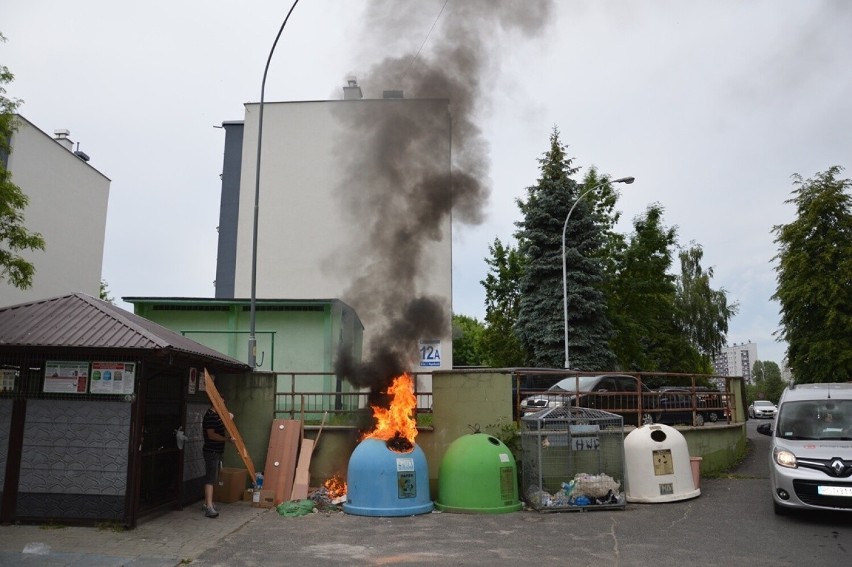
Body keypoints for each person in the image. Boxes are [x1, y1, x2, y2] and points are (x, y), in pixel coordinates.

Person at [202, 403, 234, 518]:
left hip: (217, 451)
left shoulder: (217, 416)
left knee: (213, 477)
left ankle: (207, 503)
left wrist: (229, 417)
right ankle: (209, 507)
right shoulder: (210, 416)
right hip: (212, 451)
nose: (224, 405)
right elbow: (211, 435)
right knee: (211, 478)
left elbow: (223, 426)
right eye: (222, 403)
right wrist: (226, 439)